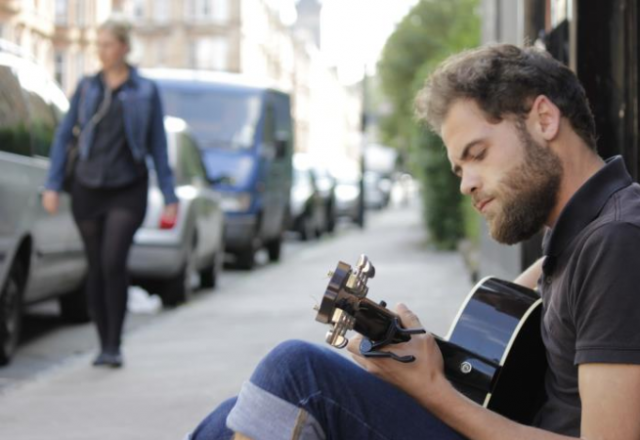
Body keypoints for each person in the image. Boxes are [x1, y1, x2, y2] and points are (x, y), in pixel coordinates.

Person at [187, 44, 640, 439]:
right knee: (242, 413)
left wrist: (432, 392)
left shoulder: (616, 241)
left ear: (543, 119)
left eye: (477, 154)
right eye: (459, 170)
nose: (466, 184)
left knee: (296, 373)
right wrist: (419, 361)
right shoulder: (575, 241)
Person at [43, 17, 178, 368]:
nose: (101, 51)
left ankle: (114, 345)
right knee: (95, 266)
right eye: (98, 44)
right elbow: (63, 136)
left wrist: (169, 195)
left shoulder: (146, 90)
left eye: (107, 44)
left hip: (127, 188)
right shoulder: (88, 87)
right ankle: (102, 343)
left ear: (124, 47)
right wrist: (53, 184)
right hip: (88, 187)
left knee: (113, 261)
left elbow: (158, 145)